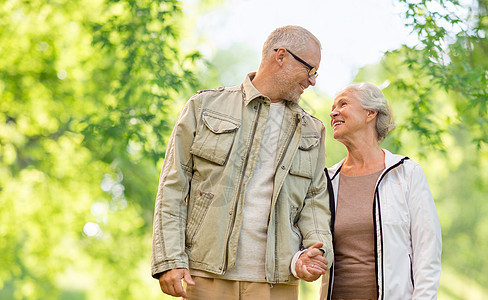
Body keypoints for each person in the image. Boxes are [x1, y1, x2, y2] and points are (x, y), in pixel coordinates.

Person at [151, 25, 333, 300]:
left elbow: (315, 202)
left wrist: (317, 251)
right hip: (205, 276)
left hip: (278, 283)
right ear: (280, 56)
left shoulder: (312, 131)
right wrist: (169, 259)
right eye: (310, 69)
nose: (312, 81)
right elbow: (173, 186)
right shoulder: (203, 107)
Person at [321, 83, 442, 300]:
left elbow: (428, 252)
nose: (333, 112)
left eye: (343, 104)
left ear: (370, 113)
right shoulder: (327, 180)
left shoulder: (406, 173)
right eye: (332, 107)